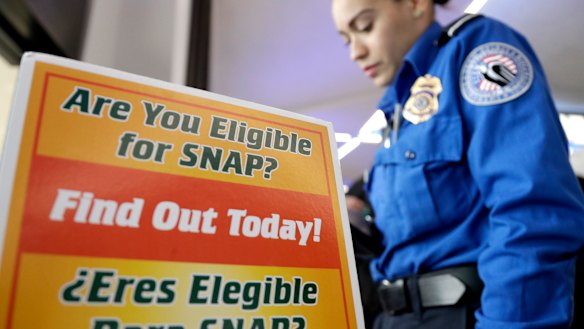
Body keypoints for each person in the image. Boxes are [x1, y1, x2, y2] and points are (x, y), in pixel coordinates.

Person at [331, 0, 584, 328]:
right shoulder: (399, 110)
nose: (356, 53)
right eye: (346, 40)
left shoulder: (476, 54)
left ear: (415, 4)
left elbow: (531, 213)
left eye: (364, 27)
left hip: (459, 313)